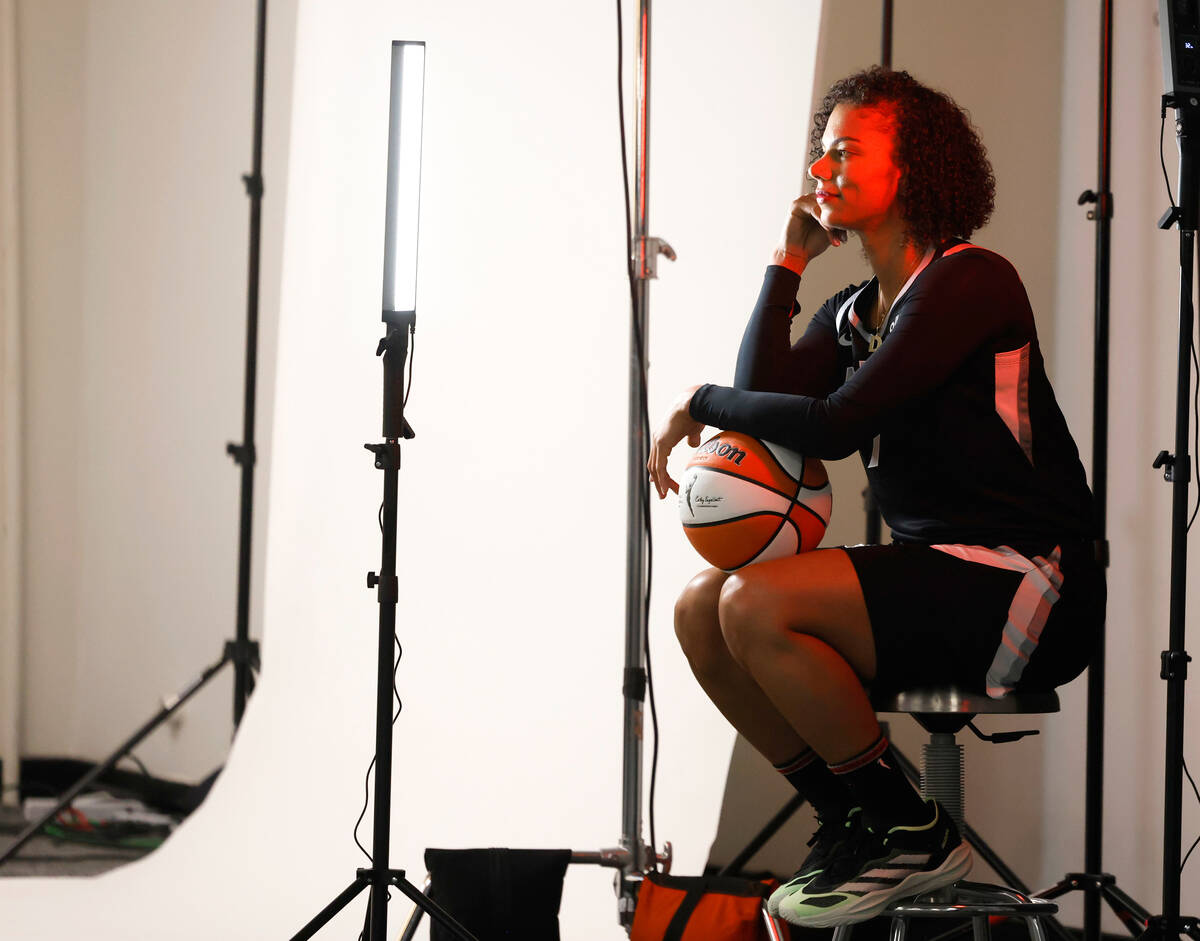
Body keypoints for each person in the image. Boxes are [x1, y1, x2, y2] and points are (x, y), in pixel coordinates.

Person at [646, 67, 1104, 928]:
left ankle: (908, 830)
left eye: (847, 151)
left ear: (914, 167)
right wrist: (787, 260)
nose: (823, 169)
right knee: (699, 610)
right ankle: (861, 819)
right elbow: (768, 400)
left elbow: (833, 423)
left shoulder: (972, 281)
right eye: (819, 153)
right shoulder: (860, 309)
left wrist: (697, 401)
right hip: (939, 575)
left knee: (751, 603)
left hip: (1030, 586)